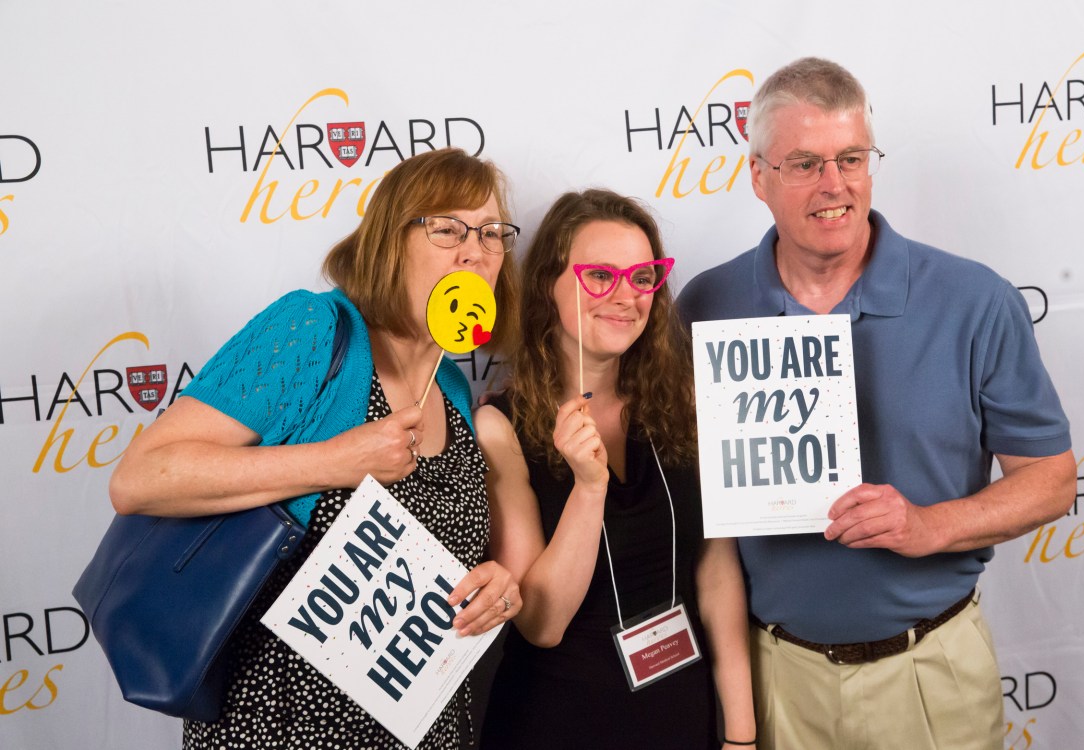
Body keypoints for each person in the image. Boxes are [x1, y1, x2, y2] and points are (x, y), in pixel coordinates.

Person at [677, 58, 1076, 750]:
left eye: (851, 158)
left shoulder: (974, 299)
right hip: (776, 676)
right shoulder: (707, 306)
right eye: (804, 163)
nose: (834, 186)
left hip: (929, 673)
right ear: (758, 177)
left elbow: (1053, 479)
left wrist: (930, 525)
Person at [108, 147, 524, 750]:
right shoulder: (313, 331)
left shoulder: (454, 387)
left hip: (425, 730)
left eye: (491, 233)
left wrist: (496, 590)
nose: (475, 251)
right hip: (282, 725)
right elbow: (140, 478)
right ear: (390, 241)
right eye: (446, 228)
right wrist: (338, 461)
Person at [475, 189, 757, 749]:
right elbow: (541, 623)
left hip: (679, 714)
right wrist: (588, 485)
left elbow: (716, 572)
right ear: (547, 286)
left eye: (643, 276)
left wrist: (742, 733)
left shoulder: (685, 404)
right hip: (559, 721)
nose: (626, 296)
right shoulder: (499, 427)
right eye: (599, 275)